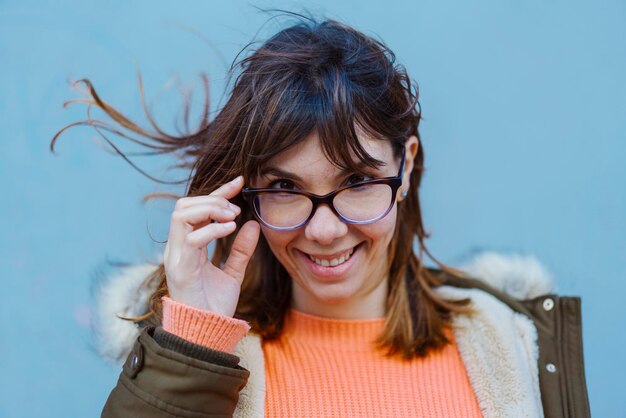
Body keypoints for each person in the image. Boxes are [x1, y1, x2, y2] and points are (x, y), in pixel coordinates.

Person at [53, 13, 590, 418]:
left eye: (356, 181)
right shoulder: (213, 360)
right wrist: (192, 345)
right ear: (247, 196)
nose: (325, 229)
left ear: (405, 166)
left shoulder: (510, 340)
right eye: (286, 187)